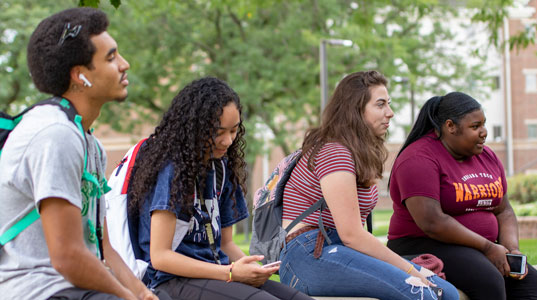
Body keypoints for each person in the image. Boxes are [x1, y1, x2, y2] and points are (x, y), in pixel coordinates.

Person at [0, 7, 161, 300]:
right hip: (38, 290)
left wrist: (143, 294)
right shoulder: (53, 135)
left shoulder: (89, 143)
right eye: (111, 58)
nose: (124, 64)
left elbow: (103, 248)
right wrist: (127, 297)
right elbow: (68, 257)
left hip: (75, 288)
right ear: (80, 76)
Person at [127, 77, 313, 300]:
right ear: (193, 129)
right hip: (171, 281)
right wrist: (231, 272)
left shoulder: (221, 167)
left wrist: (252, 269)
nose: (228, 141)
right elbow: (160, 256)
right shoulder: (172, 169)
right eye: (218, 132)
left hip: (217, 273)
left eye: (234, 131)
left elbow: (225, 244)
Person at [278, 70, 459, 300]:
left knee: (447, 293)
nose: (390, 113)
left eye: (389, 104)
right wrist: (412, 270)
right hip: (306, 254)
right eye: (380, 104)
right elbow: (352, 234)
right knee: (419, 292)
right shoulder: (334, 152)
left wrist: (411, 270)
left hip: (338, 248)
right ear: (356, 109)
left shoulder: (355, 153)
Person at [387, 92, 537, 300]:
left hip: (480, 248)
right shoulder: (419, 158)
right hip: (426, 243)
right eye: (475, 127)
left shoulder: (487, 156)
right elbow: (432, 222)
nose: (484, 132)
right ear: (450, 126)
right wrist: (488, 247)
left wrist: (511, 249)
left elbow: (504, 209)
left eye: (484, 125)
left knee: (536, 288)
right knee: (489, 282)